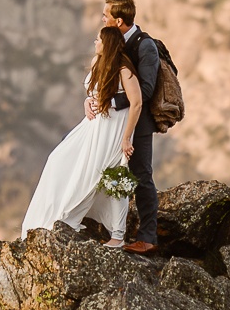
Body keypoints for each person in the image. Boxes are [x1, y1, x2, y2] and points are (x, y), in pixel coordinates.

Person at [21, 24, 142, 246]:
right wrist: (87, 102)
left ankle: (118, 235)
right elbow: (93, 93)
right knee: (58, 159)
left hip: (113, 130)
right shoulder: (99, 63)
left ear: (108, 44)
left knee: (112, 177)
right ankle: (60, 213)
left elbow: (136, 103)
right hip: (93, 126)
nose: (95, 42)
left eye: (98, 39)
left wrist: (126, 137)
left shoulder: (124, 69)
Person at [84, 0, 161, 253]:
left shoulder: (144, 46)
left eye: (105, 16)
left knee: (141, 176)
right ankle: (107, 228)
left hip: (137, 125)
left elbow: (146, 91)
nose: (102, 19)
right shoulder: (111, 43)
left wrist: (109, 102)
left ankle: (147, 237)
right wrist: (90, 100)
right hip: (110, 124)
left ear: (119, 21)